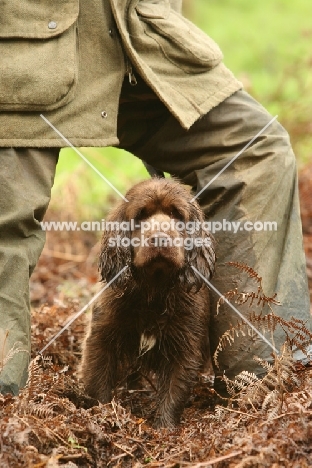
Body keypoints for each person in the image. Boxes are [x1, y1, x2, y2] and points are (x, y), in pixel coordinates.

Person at [0, 0, 310, 396]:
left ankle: (266, 382)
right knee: (4, 219)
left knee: (258, 150)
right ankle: (5, 404)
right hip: (25, 55)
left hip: (146, 44)